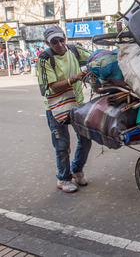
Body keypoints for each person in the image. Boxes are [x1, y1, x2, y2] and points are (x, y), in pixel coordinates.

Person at [37, 26, 92, 193]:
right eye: (54, 42)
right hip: (56, 108)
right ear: (48, 43)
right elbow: (52, 87)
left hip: (77, 103)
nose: (60, 44)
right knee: (62, 145)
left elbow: (95, 57)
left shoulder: (75, 50)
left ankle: (76, 169)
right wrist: (74, 79)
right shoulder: (44, 58)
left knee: (85, 139)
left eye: (62, 40)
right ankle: (63, 178)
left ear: (65, 38)